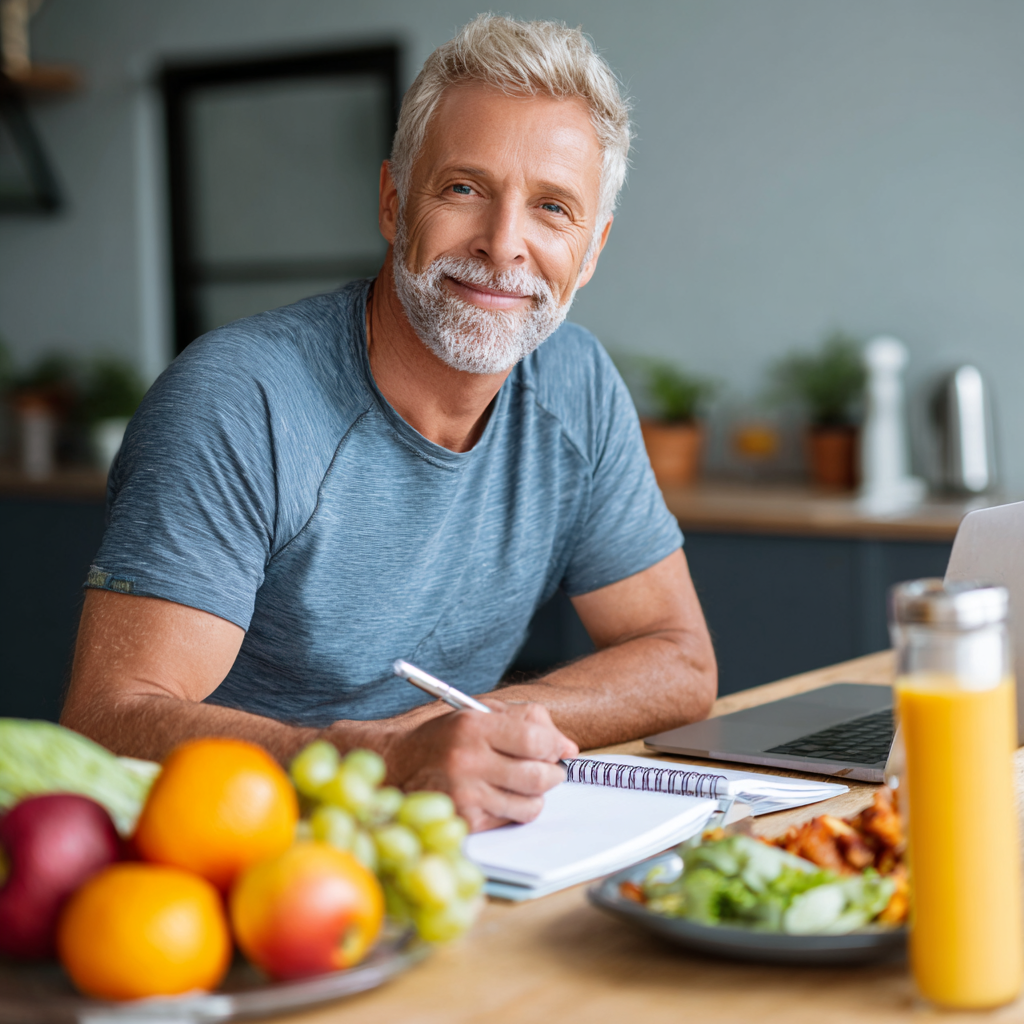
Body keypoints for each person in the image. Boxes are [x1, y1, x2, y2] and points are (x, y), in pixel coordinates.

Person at [62, 15, 716, 832]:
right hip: (224, 847)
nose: (504, 244)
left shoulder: (575, 383)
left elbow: (682, 660)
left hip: (435, 841)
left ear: (590, 251)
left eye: (552, 208)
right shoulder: (238, 399)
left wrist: (481, 731)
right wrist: (380, 759)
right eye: (464, 188)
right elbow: (106, 720)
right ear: (392, 201)